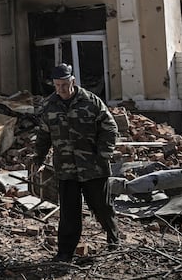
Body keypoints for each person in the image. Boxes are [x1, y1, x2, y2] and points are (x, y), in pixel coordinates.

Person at [29, 63, 120, 262]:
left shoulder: (91, 101)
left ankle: (114, 240)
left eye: (65, 84)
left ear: (73, 81)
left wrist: (103, 154)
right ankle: (65, 253)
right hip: (66, 169)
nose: (61, 89)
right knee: (69, 213)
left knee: (102, 206)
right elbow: (43, 135)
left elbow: (110, 127)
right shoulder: (49, 105)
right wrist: (38, 157)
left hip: (93, 168)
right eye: (57, 85)